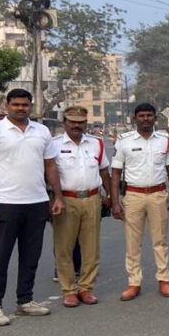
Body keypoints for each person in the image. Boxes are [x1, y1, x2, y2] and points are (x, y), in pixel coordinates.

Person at [0, 89, 63, 326]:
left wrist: (57, 196)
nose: (21, 108)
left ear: (30, 106)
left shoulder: (41, 131)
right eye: (16, 104)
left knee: (31, 256)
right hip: (5, 204)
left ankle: (25, 300)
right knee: (0, 258)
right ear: (6, 105)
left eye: (25, 105)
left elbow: (50, 166)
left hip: (37, 203)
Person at [111, 103, 169, 301]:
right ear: (135, 118)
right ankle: (134, 283)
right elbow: (115, 173)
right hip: (133, 196)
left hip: (158, 195)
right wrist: (115, 201)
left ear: (155, 118)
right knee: (133, 242)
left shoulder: (165, 141)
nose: (145, 119)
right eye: (141, 115)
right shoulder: (124, 141)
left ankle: (164, 280)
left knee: (160, 241)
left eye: (149, 115)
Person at [50, 106, 112, 308]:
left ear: (86, 123)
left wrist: (110, 195)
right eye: (72, 122)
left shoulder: (96, 143)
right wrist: (54, 199)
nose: (76, 126)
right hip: (65, 200)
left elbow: (104, 172)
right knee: (64, 247)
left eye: (81, 122)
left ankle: (86, 288)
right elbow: (48, 173)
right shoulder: (53, 145)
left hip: (92, 199)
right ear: (64, 123)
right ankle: (68, 289)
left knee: (91, 248)